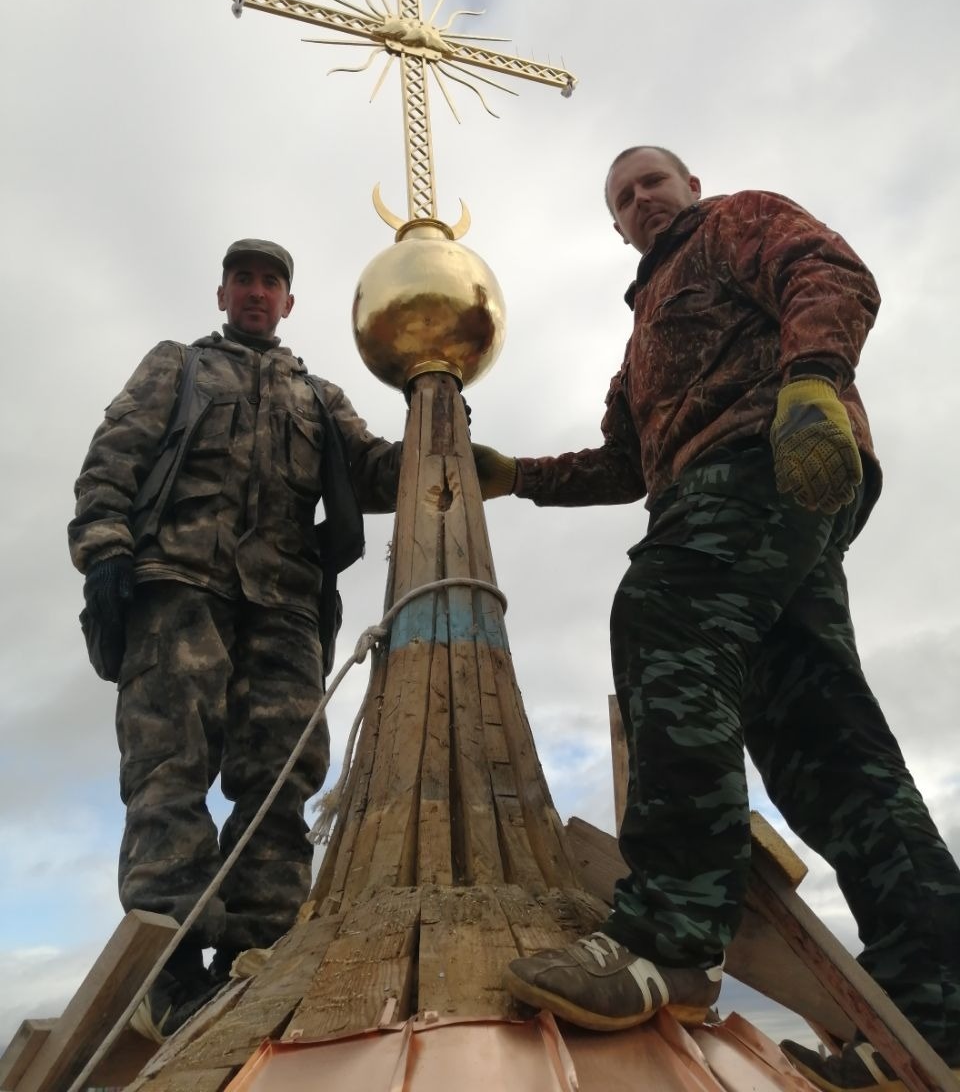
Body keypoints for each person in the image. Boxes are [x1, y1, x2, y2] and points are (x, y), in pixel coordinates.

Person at [473, 148, 960, 1090]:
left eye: (651, 182)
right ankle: (938, 1001)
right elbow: (623, 465)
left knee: (664, 614)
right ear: (616, 228)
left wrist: (812, 380)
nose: (640, 200)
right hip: (744, 501)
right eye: (622, 198)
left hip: (771, 457)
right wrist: (516, 478)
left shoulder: (736, 222)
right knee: (822, 740)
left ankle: (668, 941)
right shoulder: (642, 337)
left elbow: (828, 271)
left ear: (689, 185)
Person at [69, 238, 401, 1039]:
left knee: (283, 775)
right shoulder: (177, 366)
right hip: (179, 585)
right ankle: (171, 969)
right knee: (169, 768)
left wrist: (436, 413)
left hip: (284, 602)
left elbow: (376, 473)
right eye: (245, 279)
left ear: (289, 303)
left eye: (272, 282)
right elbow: (113, 454)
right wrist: (106, 548)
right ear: (222, 293)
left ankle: (264, 950)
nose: (257, 291)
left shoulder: (319, 397)